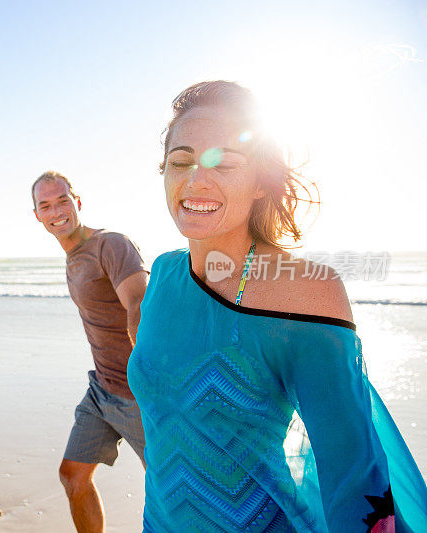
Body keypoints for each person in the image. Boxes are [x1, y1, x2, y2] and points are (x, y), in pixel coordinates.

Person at [127, 80, 427, 532]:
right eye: (180, 161)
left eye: (224, 162)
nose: (195, 179)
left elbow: (353, 476)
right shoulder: (164, 275)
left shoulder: (306, 288)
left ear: (261, 185)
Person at [32, 171, 149, 533]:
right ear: (37, 215)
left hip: (137, 394)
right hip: (101, 390)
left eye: (63, 200)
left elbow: (138, 301)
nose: (56, 211)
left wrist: (148, 382)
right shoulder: (73, 255)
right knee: (72, 477)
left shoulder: (109, 244)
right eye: (45, 205)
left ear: (77, 202)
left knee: (169, 486)